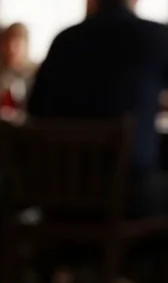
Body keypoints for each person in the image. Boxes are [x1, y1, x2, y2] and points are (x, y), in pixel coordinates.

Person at [27, 0, 168, 215]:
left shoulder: (65, 40)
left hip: (60, 194)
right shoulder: (156, 37)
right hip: (130, 197)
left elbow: (34, 110)